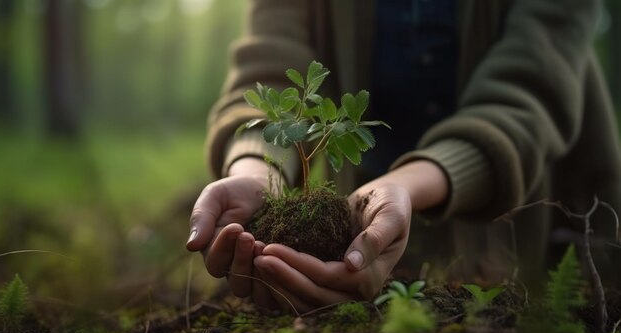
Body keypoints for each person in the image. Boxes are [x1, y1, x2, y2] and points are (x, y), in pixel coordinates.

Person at [187, 0, 621, 312]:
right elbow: (268, 81)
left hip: (543, 240)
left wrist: (403, 189)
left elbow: (528, 95)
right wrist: (258, 168)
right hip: (366, 229)